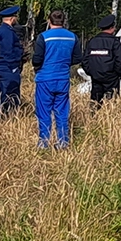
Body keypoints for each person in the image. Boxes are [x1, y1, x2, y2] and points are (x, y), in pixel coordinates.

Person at [32, 10, 83, 149]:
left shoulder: (44, 37)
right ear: (64, 21)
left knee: (44, 112)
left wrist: (38, 66)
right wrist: (65, 63)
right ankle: (63, 142)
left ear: (49, 21)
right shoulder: (72, 37)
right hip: (62, 78)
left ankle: (44, 142)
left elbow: (37, 59)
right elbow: (78, 58)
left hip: (45, 78)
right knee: (61, 111)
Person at [82, 14, 121, 107]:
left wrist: (92, 73)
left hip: (96, 78)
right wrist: (117, 74)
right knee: (111, 105)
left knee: (95, 104)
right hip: (111, 79)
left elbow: (85, 60)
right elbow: (120, 61)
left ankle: (93, 119)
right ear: (112, 27)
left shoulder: (92, 41)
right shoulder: (115, 42)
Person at [0, 6, 24, 115]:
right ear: (12, 18)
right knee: (9, 92)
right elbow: (8, 50)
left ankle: (4, 113)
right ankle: (5, 115)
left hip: (3, 66)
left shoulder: (1, 30)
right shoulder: (7, 32)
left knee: (3, 92)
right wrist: (16, 63)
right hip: (8, 67)